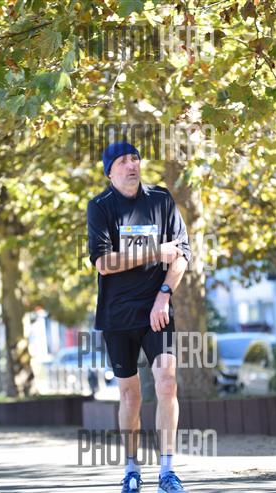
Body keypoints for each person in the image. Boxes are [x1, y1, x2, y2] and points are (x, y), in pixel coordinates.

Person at [87, 142, 191, 493]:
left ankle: (168, 470)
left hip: (156, 311)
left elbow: (182, 254)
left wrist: (164, 294)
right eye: (122, 161)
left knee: (167, 383)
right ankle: (132, 469)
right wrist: (154, 251)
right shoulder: (100, 207)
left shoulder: (161, 200)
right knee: (130, 396)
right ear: (109, 171)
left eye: (135, 159)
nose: (131, 165)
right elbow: (104, 263)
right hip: (117, 316)